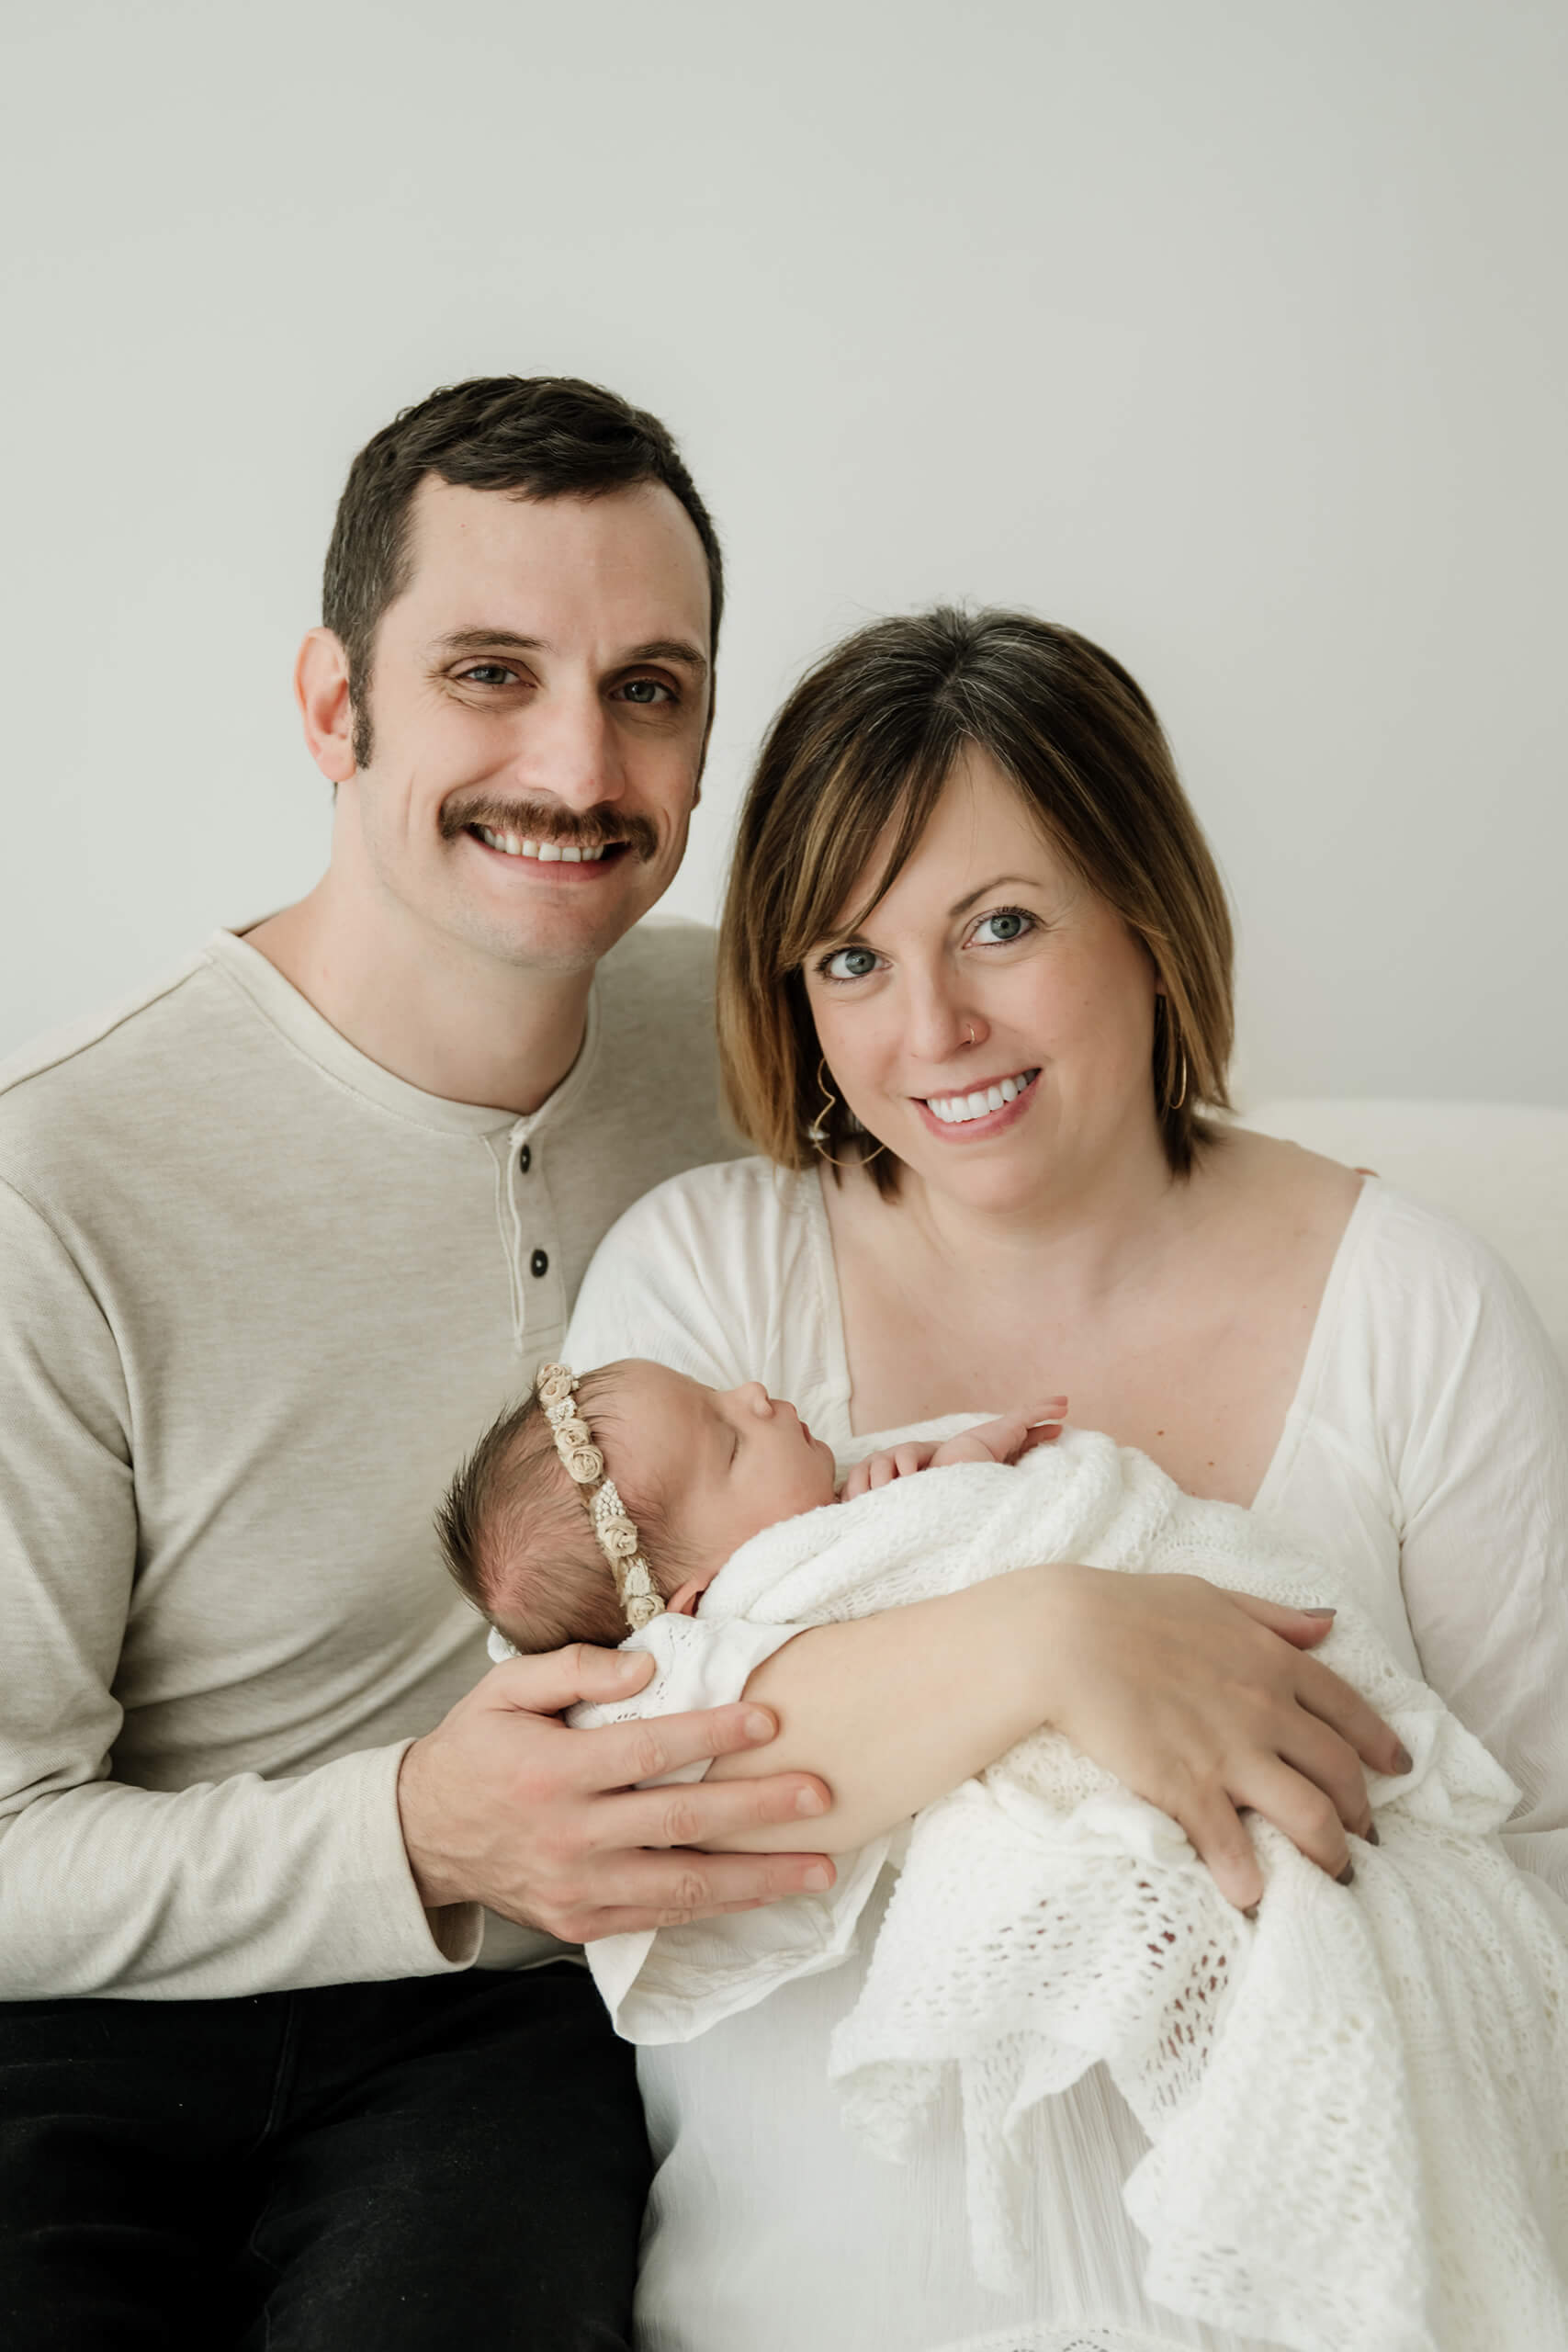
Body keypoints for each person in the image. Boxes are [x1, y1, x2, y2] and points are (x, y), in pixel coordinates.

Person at [560, 606, 1568, 2350]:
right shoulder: (708, 1304)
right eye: (850, 961)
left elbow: (1536, 1863)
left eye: (1000, 928)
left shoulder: (1410, 1305)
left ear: (1149, 925)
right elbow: (627, 1819)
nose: (930, 1027)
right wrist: (1050, 1641)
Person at [0, 374, 841, 2350]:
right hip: (83, 2042)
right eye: (488, 670)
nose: (577, 757)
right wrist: (412, 1830)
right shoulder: (61, 1177)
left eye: (649, 686)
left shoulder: (767, 1046)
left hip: (505, 2030)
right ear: (331, 703)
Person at [434, 1352, 1064, 1650]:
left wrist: (887, 1490)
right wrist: (957, 1473)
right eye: (732, 1443)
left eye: (713, 1392)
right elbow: (952, 1569)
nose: (754, 1393)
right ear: (704, 1599)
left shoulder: (818, 1517)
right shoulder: (774, 1619)